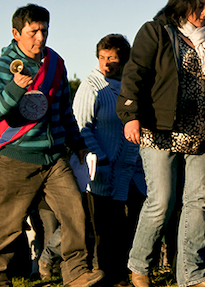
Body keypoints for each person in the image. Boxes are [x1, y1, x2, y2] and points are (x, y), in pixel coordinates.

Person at [0, 4, 103, 287]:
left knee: (74, 213)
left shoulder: (56, 63)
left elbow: (65, 112)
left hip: (55, 157)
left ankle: (77, 272)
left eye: (44, 30)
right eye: (33, 31)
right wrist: (15, 88)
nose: (40, 38)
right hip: (16, 158)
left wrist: (78, 145)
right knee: (8, 224)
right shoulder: (2, 66)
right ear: (16, 33)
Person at [117, 0, 205, 287]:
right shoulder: (156, 32)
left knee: (198, 202)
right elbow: (134, 72)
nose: (203, 12)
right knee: (161, 201)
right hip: (159, 130)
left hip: (202, 133)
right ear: (182, 3)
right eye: (198, 5)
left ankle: (192, 275)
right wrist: (129, 115)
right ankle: (139, 265)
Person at [73, 34, 146, 287]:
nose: (106, 64)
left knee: (131, 222)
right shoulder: (91, 85)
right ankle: (109, 275)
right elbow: (82, 126)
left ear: (124, 60)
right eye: (102, 58)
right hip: (101, 170)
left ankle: (127, 271)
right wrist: (98, 156)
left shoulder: (130, 85)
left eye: (112, 59)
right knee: (106, 226)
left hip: (131, 169)